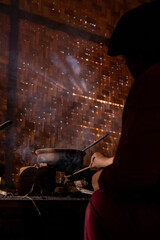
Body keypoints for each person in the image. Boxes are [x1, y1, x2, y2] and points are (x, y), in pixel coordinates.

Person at [84, 1, 160, 239]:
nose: (128, 67)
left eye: (128, 58)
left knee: (100, 204)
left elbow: (134, 177)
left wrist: (102, 180)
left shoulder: (154, 80)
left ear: (142, 54)